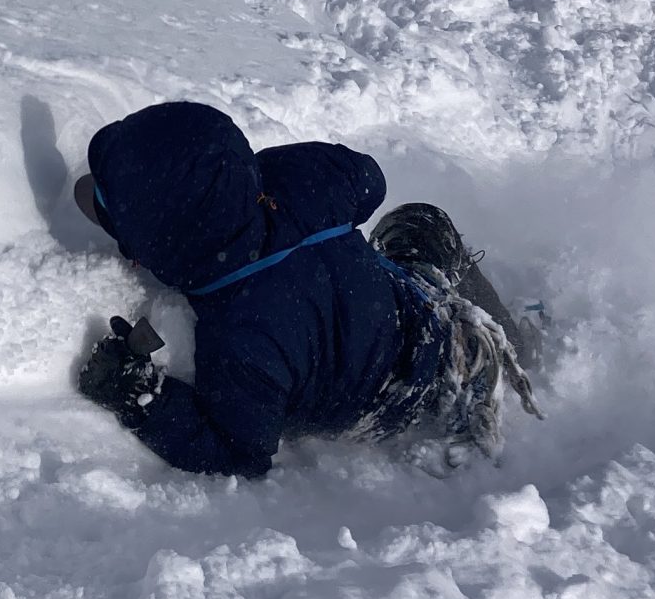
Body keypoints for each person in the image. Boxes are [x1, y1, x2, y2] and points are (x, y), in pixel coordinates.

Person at [69, 102, 536, 479]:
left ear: (153, 250)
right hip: (415, 310)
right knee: (420, 224)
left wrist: (144, 400)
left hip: (403, 397)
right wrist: (260, 178)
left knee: (451, 410)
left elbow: (239, 453)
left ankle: (494, 382)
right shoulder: (304, 184)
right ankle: (515, 343)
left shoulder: (240, 338)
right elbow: (370, 180)